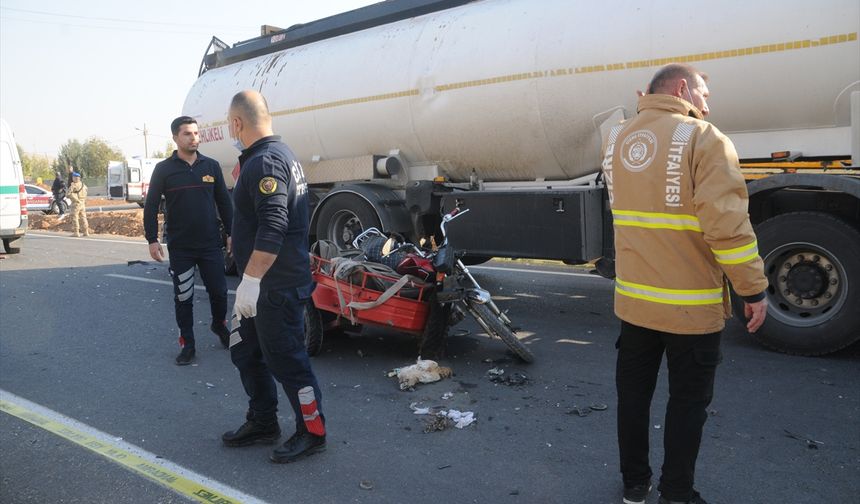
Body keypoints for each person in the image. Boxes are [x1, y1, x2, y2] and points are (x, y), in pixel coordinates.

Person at [601, 63, 768, 504]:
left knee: (633, 399)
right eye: (704, 95)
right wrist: (753, 290)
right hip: (691, 310)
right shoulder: (705, 139)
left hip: (634, 304)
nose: (708, 105)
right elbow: (727, 228)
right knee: (687, 405)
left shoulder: (617, 138)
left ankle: (634, 485)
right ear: (682, 89)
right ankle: (677, 494)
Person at [221, 90, 326, 464]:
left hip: (273, 285)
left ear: (237, 124)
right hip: (265, 283)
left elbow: (274, 226)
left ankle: (312, 431)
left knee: (287, 361)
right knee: (245, 350)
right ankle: (264, 420)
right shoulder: (273, 156)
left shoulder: (266, 162)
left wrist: (249, 282)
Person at [143, 116, 233, 365]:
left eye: (196, 133)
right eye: (187, 134)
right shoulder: (164, 169)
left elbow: (224, 202)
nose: (194, 138)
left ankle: (219, 324)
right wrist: (152, 239)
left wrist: (231, 233)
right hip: (181, 247)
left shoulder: (211, 166)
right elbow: (150, 207)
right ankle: (188, 343)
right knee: (184, 296)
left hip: (210, 245)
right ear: (175, 137)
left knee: (220, 291)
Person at [67, 172, 89, 237]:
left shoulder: (73, 185)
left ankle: (76, 232)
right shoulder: (83, 185)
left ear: (74, 178)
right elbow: (86, 192)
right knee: (83, 217)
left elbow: (68, 194)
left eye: (73, 177)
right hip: (82, 203)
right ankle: (86, 231)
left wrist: (75, 199)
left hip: (76, 203)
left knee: (74, 217)